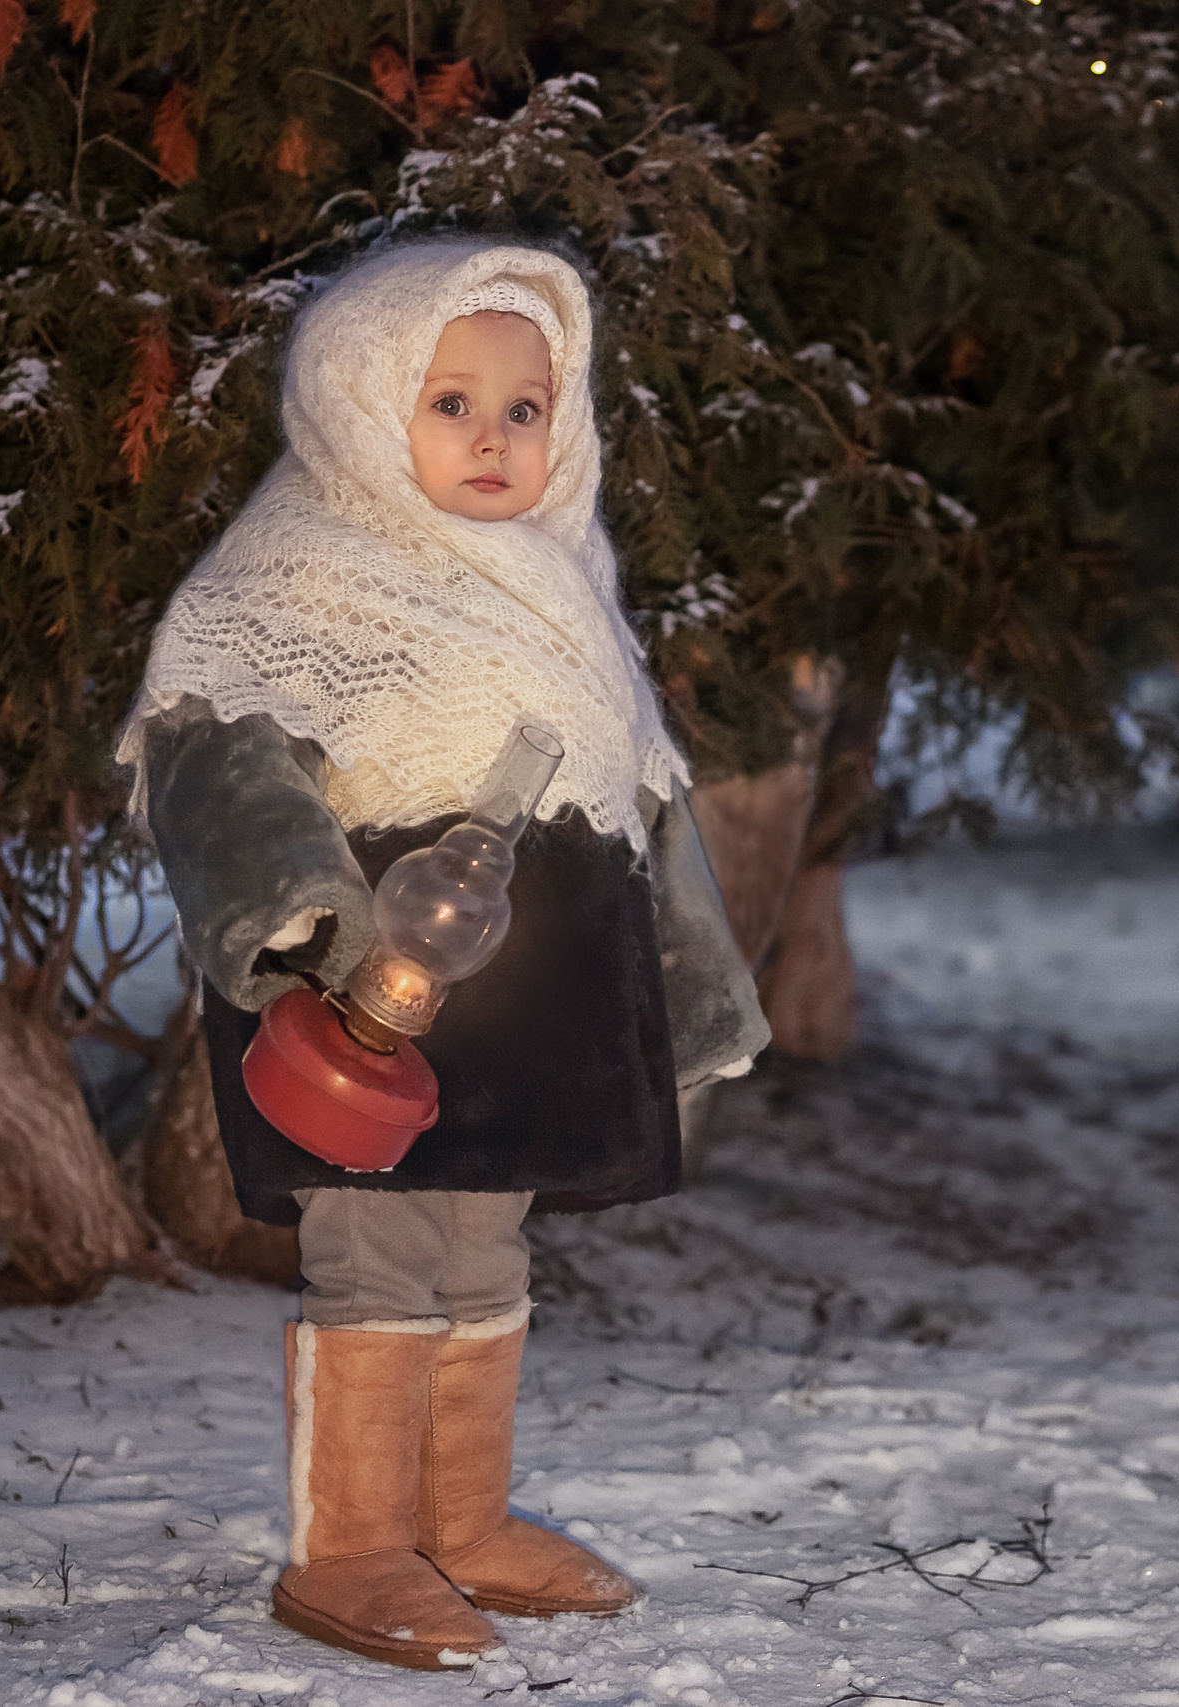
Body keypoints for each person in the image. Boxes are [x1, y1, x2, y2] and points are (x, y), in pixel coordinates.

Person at [118, 239, 767, 1672]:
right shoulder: (295, 576)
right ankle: (351, 1546)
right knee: (379, 1251)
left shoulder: (565, 582)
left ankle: (459, 1522)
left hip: (537, 996)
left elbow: (633, 795)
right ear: (362, 400)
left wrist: (690, 978)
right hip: (369, 994)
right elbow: (216, 756)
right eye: (449, 401)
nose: (493, 437)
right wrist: (301, 915)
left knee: (484, 1242)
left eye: (523, 409)